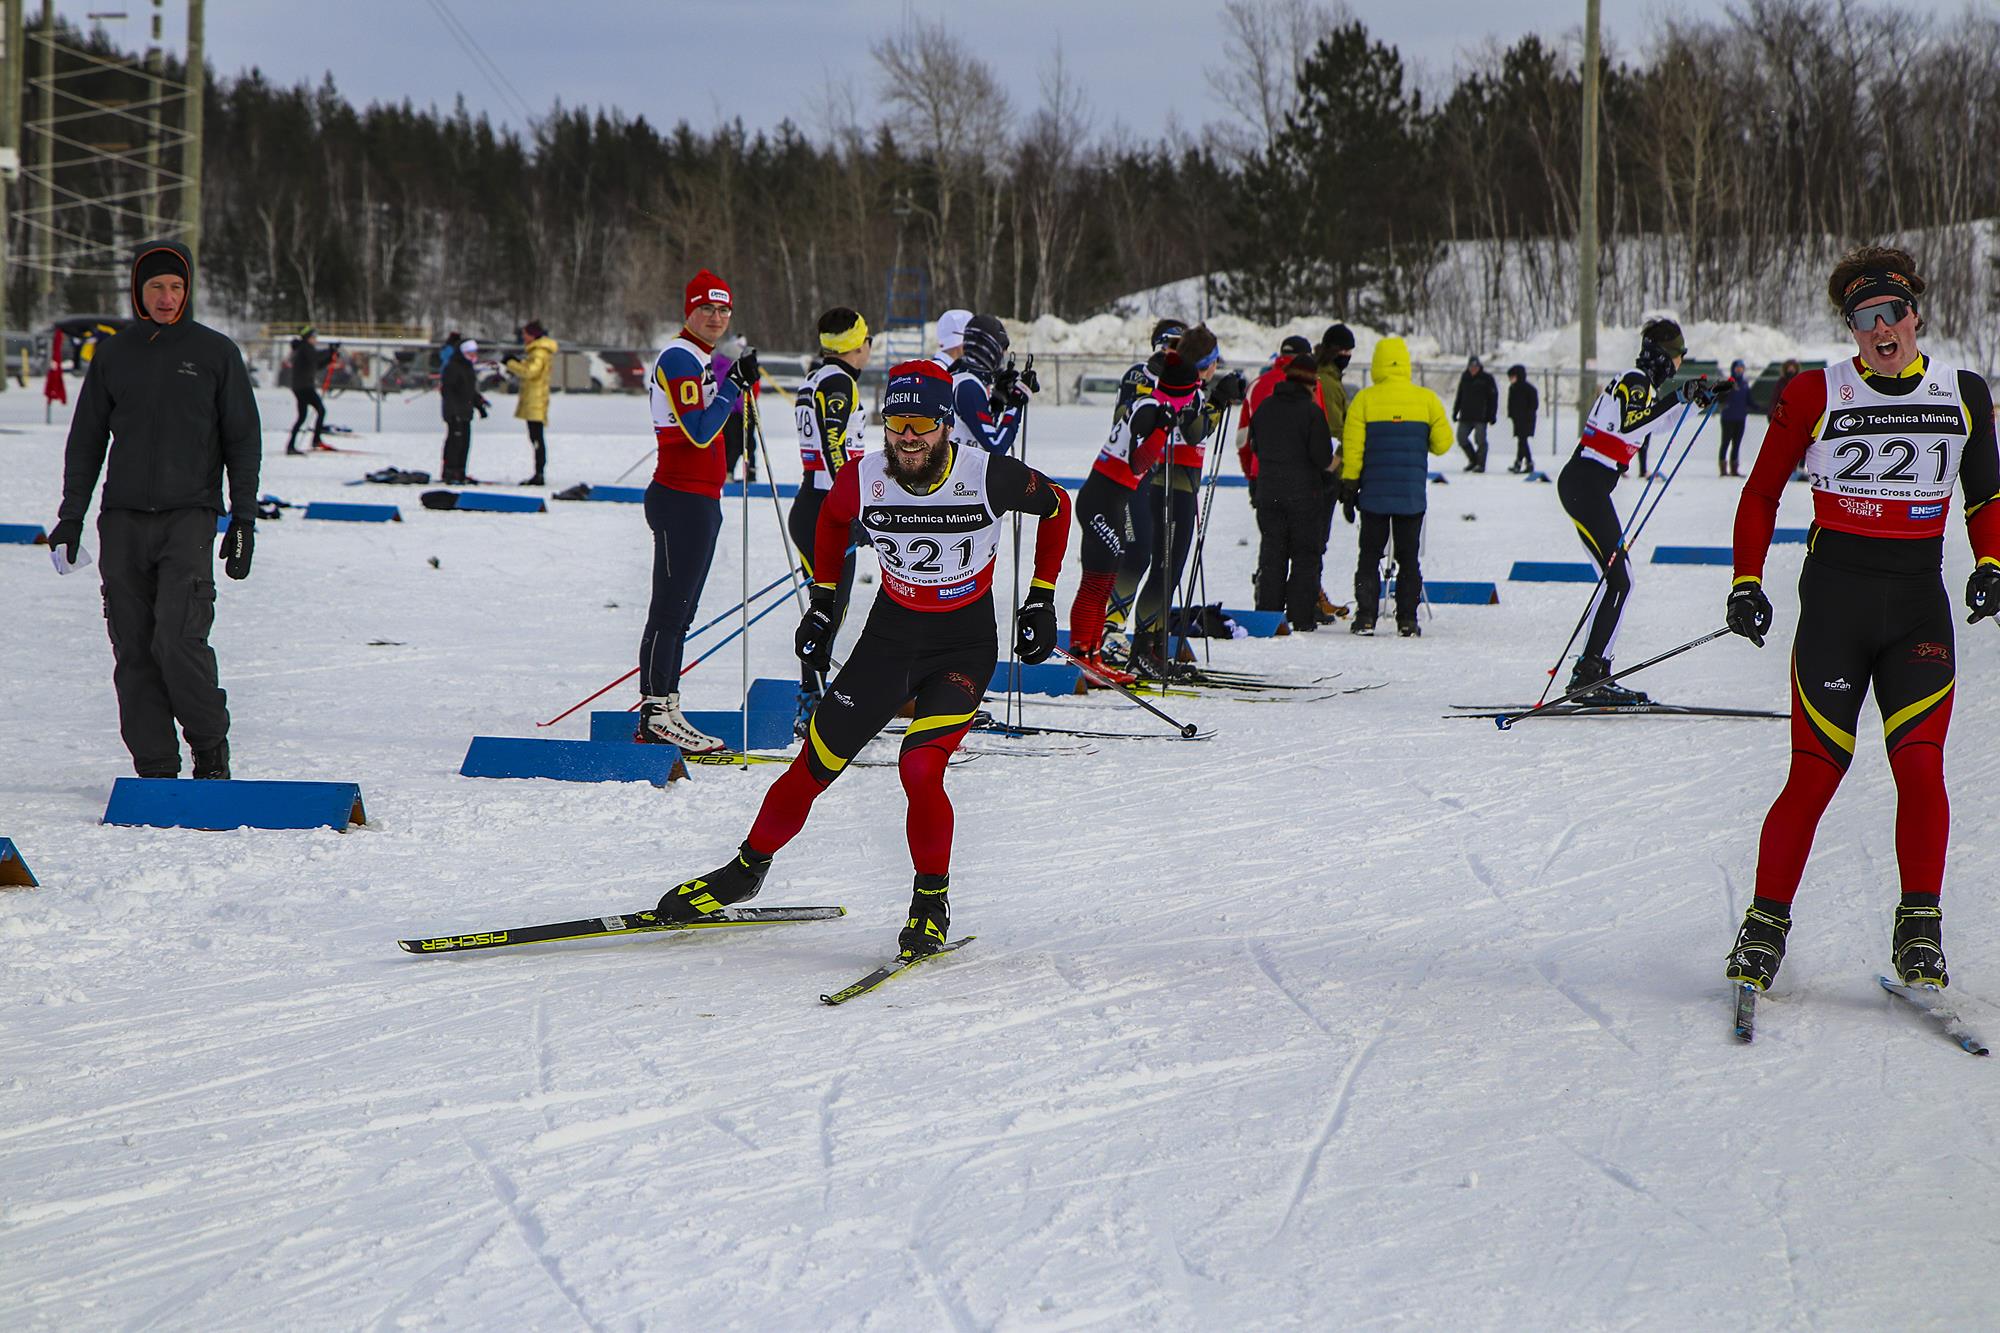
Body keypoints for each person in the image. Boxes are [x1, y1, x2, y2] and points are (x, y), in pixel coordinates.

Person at [654, 360, 1071, 959]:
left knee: (919, 768)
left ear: (946, 425)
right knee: (814, 765)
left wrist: (1042, 597)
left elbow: (1057, 506)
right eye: (896, 422)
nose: (907, 436)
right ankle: (745, 872)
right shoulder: (863, 477)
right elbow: (829, 520)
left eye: (921, 423)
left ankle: (931, 902)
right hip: (889, 639)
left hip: (963, 645)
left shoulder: (988, 475)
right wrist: (824, 603)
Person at [1722, 247, 2000, 994]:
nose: (1882, 328)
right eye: (1863, 317)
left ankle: (1920, 929)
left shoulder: (1963, 391)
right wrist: (1747, 581)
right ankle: (1762, 930)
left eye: (1893, 312)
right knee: (1813, 775)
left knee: (1920, 767)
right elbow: (1759, 494)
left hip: (1916, 612)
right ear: (1850, 328)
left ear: (1916, 314)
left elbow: (1984, 498)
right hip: (1835, 612)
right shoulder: (1816, 391)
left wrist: (1990, 563)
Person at [49, 240, 261, 779]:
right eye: (156, 287)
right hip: (121, 520)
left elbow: (242, 440)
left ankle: (210, 753)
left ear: (187, 291)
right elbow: (87, 439)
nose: (167, 297)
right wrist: (72, 515)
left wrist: (243, 518)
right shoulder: (115, 354)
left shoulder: (216, 354)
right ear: (138, 292)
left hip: (187, 517)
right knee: (134, 649)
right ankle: (156, 768)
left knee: (178, 637)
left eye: (176, 287)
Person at [1557, 318, 1722, 700]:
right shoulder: (1636, 381)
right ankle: (1589, 674)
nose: (1680, 364)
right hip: (1586, 484)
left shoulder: (1639, 384)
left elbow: (1651, 425)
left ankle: (1593, 669)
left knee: (1617, 579)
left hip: (1587, 484)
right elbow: (1634, 425)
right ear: (1667, 356)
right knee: (1619, 581)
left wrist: (1693, 403)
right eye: (1679, 357)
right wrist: (1679, 396)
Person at [636, 269, 757, 753]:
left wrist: (734, 382)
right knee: (670, 610)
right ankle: (656, 709)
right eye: (706, 308)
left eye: (723, 309)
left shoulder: (702, 358)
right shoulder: (680, 357)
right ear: (689, 310)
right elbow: (700, 431)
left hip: (700, 499)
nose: (715, 317)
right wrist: (733, 386)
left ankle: (666, 705)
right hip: (680, 497)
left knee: (680, 612)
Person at [1069, 349, 1199, 683]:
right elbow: (1139, 462)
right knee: (1096, 582)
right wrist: (1162, 431)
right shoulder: (1148, 409)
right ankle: (1082, 656)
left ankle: (1094, 655)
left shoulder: (1158, 408)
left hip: (1112, 501)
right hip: (1099, 500)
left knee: (1107, 579)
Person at [1132, 324, 1244, 672]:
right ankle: (1143, 649)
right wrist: (1218, 401)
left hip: (1175, 486)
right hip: (1170, 488)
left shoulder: (1184, 383)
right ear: (1206, 363)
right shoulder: (1185, 387)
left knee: (1169, 572)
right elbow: (1194, 428)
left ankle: (1155, 644)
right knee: (1165, 571)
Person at [789, 307, 873, 718]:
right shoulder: (839, 381)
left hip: (814, 502)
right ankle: (812, 702)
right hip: (825, 507)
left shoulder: (818, 377)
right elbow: (834, 443)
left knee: (828, 606)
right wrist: (850, 509)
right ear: (859, 345)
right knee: (829, 606)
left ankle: (813, 694)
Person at [1338, 336, 1452, 636]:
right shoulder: (1426, 400)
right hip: (1410, 496)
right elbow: (1443, 444)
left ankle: (1365, 617)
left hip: (1373, 495)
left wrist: (1349, 487)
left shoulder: (1364, 399)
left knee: (1369, 556)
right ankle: (1407, 619)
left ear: (1377, 364)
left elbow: (1353, 450)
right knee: (1408, 558)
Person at [1103, 319, 1185, 647]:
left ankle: (1149, 631)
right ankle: (1111, 627)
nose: (1176, 353)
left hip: (1164, 476)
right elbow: (1125, 416)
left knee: (1160, 556)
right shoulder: (1140, 373)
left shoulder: (1184, 379)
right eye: (1173, 344)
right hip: (1130, 476)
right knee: (1135, 552)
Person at [1249, 352, 1336, 630]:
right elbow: (1323, 458)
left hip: (1269, 493)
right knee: (1304, 557)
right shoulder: (1312, 413)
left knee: (1272, 554)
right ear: (1311, 382)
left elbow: (1255, 447)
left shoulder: (1265, 408)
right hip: (1303, 496)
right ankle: (1300, 617)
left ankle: (1268, 615)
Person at [1238, 334, 1315, 508]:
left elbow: (1243, 437)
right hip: (1302, 478)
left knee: (1271, 534)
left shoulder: (1256, 385)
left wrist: (1251, 474)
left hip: (1264, 475)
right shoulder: (1312, 385)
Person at [1313, 323, 1357, 620]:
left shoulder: (1331, 379)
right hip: (1325, 470)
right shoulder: (1327, 383)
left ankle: (1311, 592)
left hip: (1319, 469)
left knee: (1314, 539)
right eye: (1345, 351)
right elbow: (1335, 431)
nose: (1348, 356)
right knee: (1315, 539)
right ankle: (1311, 595)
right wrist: (1343, 472)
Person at [948, 315, 1026, 456]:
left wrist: (997, 399)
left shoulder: (963, 378)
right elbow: (996, 447)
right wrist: (1016, 403)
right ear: (988, 347)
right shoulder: (968, 385)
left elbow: (982, 433)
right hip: (961, 475)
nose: (1004, 354)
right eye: (1002, 347)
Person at [503, 319, 557, 485]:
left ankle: (539, 473)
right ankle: (538, 472)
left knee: (536, 437)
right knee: (535, 437)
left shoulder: (539, 351)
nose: (523, 337)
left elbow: (531, 372)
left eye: (525, 334)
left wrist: (511, 364)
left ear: (532, 335)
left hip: (536, 400)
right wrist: (517, 362)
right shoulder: (536, 351)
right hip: (533, 398)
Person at [439, 337, 489, 484]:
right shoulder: (453, 367)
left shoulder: (468, 368)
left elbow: (469, 391)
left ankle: (460, 471)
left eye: (474, 353)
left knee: (464, 443)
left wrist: (480, 405)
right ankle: (450, 472)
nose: (473, 356)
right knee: (454, 443)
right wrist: (454, 412)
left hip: (466, 412)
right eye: (469, 353)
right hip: (454, 413)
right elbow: (448, 391)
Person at [285, 325, 330, 454]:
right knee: (321, 410)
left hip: (301, 387)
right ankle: (316, 440)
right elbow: (315, 357)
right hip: (304, 387)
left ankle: (291, 446)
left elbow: (316, 364)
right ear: (308, 337)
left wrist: (330, 356)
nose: (315, 339)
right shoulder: (305, 348)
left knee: (302, 417)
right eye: (314, 337)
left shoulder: (304, 349)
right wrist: (329, 351)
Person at [1451, 356, 1498, 472]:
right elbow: (1460, 395)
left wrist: (1492, 415)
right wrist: (1455, 411)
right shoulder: (1465, 377)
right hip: (1466, 415)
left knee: (1480, 440)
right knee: (1461, 438)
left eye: (1475, 367)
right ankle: (1473, 460)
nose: (1473, 369)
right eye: (1471, 367)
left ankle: (1481, 464)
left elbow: (1493, 398)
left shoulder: (1487, 378)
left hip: (1481, 416)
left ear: (1479, 366)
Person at [1718, 358, 1752, 476]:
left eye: (1741, 369)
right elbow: (1720, 398)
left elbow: (1749, 401)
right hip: (1728, 418)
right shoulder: (1728, 383)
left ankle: (1734, 468)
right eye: (1737, 368)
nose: (1739, 371)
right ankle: (1723, 468)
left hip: (1740, 418)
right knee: (1725, 442)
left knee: (1736, 444)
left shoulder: (1744, 385)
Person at [1505, 365, 1539, 473]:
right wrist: (1511, 414)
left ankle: (1520, 462)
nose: (1511, 379)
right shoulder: (1513, 388)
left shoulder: (1529, 389)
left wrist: (1527, 414)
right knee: (1522, 441)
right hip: (1517, 419)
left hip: (1527, 419)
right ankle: (1527, 462)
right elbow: (1510, 403)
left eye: (1512, 377)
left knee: (1522, 441)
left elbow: (1534, 404)